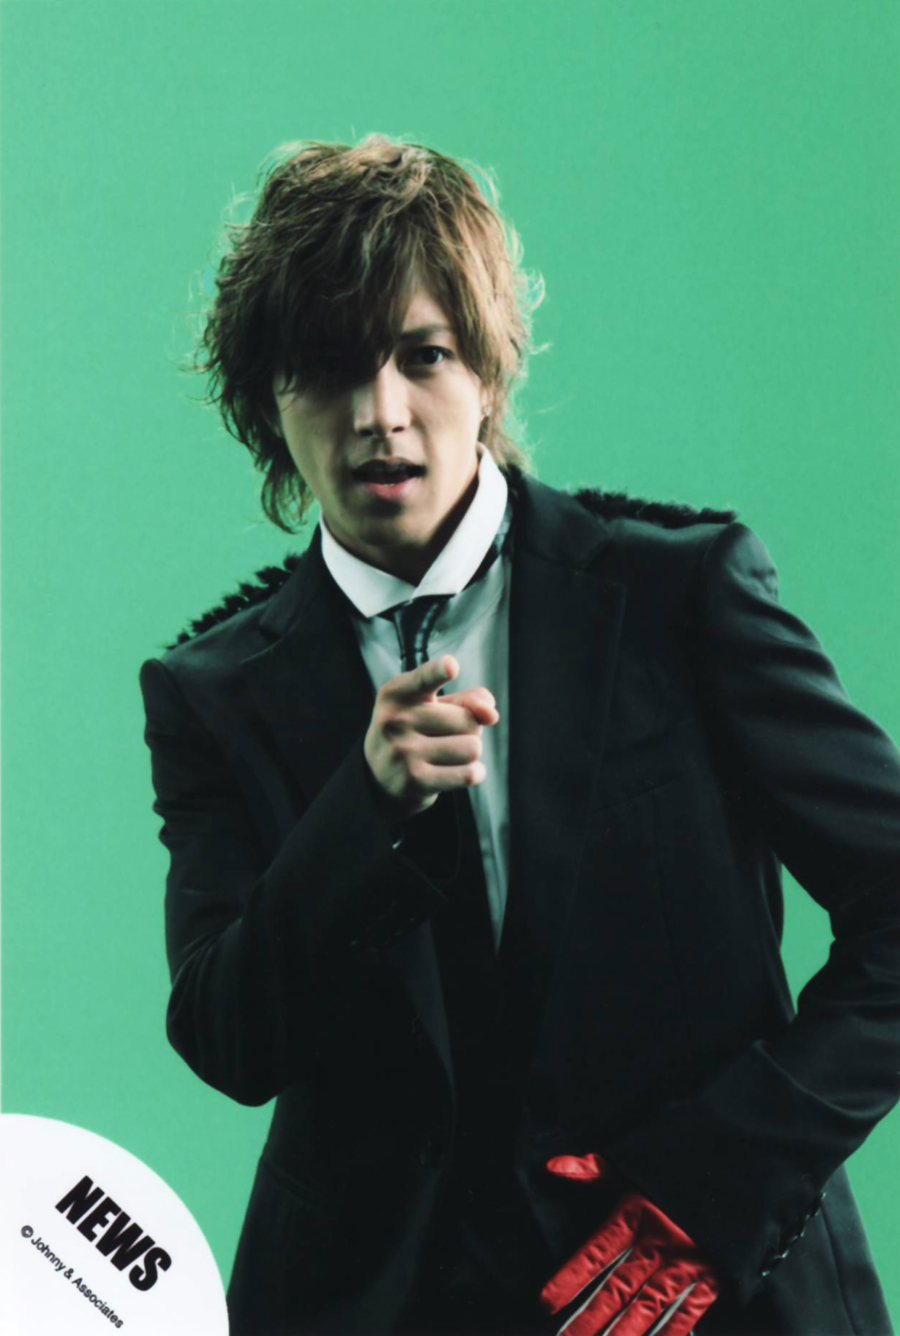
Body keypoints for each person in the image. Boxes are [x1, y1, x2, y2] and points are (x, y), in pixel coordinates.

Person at [139, 134, 900, 1336]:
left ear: (487, 371)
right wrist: (362, 810)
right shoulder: (214, 693)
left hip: (708, 1285)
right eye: (327, 369)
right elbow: (230, 1041)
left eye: (422, 355)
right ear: (268, 405)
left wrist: (726, 1178)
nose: (380, 414)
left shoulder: (679, 596)